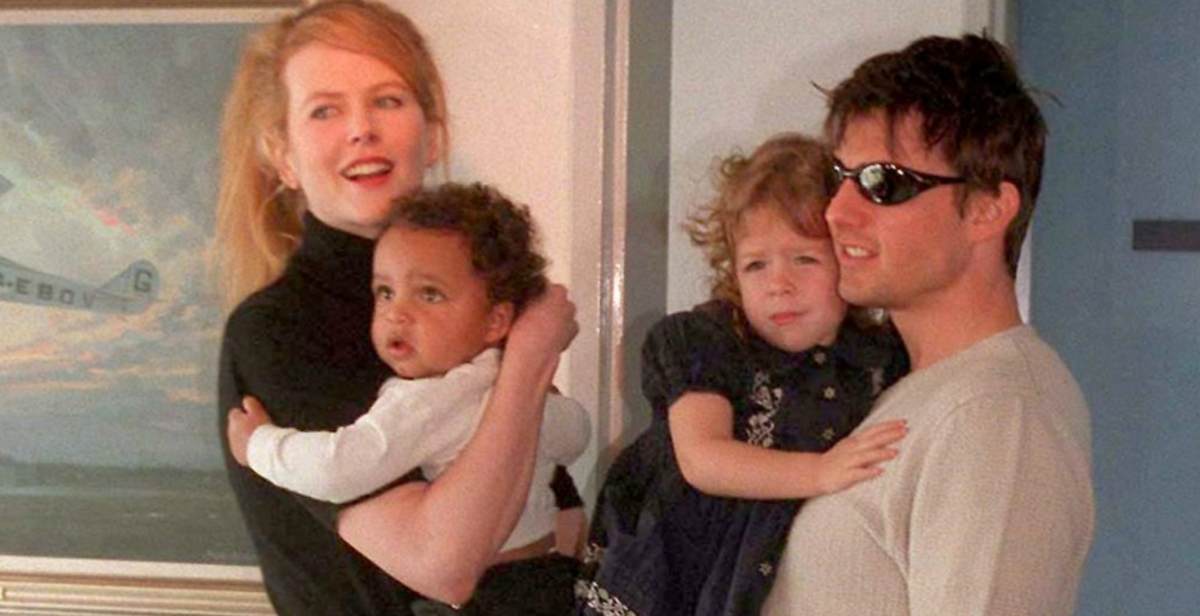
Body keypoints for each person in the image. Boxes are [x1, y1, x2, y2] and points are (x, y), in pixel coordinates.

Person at [212, 2, 579, 613]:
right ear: (283, 155)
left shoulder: (473, 299)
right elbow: (443, 565)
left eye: (386, 100)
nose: (362, 129)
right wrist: (530, 356)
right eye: (325, 110)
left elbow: (561, 519)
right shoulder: (278, 331)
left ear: (433, 136)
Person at [762, 35, 1095, 615]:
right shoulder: (920, 389)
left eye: (881, 183)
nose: (837, 211)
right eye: (841, 177)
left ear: (988, 209)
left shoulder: (996, 413)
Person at [575, 134, 909, 616]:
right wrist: (819, 472)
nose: (778, 284)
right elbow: (703, 459)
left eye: (805, 258)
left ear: (848, 256)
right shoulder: (709, 342)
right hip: (674, 580)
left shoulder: (877, 356)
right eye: (755, 265)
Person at [226, 182, 590, 614]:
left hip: (489, 600)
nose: (396, 312)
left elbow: (339, 467)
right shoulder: (512, 384)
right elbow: (576, 434)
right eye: (385, 292)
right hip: (550, 581)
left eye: (429, 294)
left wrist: (260, 445)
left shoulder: (424, 402)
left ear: (496, 320)